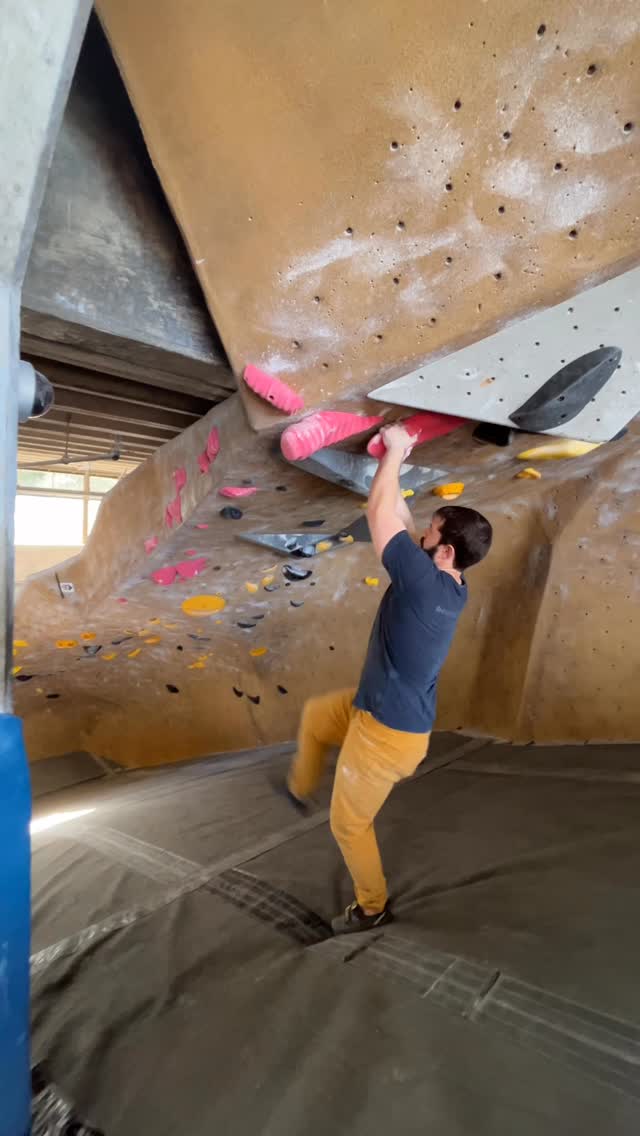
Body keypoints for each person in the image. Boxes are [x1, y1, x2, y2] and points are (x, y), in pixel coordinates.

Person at [283, 423, 493, 935]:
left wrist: (394, 452)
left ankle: (371, 907)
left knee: (348, 824)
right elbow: (399, 517)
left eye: (433, 531)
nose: (423, 531)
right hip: (375, 709)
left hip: (387, 736)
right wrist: (395, 461)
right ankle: (300, 787)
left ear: (445, 551)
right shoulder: (451, 582)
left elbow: (379, 513)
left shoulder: (422, 583)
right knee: (318, 715)